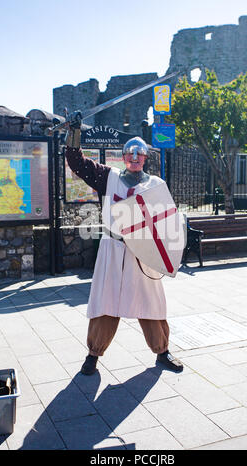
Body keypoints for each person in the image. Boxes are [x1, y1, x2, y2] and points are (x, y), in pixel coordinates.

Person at [65, 113, 184, 375]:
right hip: (112, 248)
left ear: (145, 158)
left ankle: (162, 352)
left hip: (143, 252)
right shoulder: (107, 177)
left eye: (139, 154)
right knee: (106, 302)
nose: (134, 157)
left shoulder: (156, 185)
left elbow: (167, 223)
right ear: (123, 156)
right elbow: (77, 162)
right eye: (130, 153)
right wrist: (74, 132)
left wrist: (168, 254)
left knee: (151, 303)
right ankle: (93, 355)